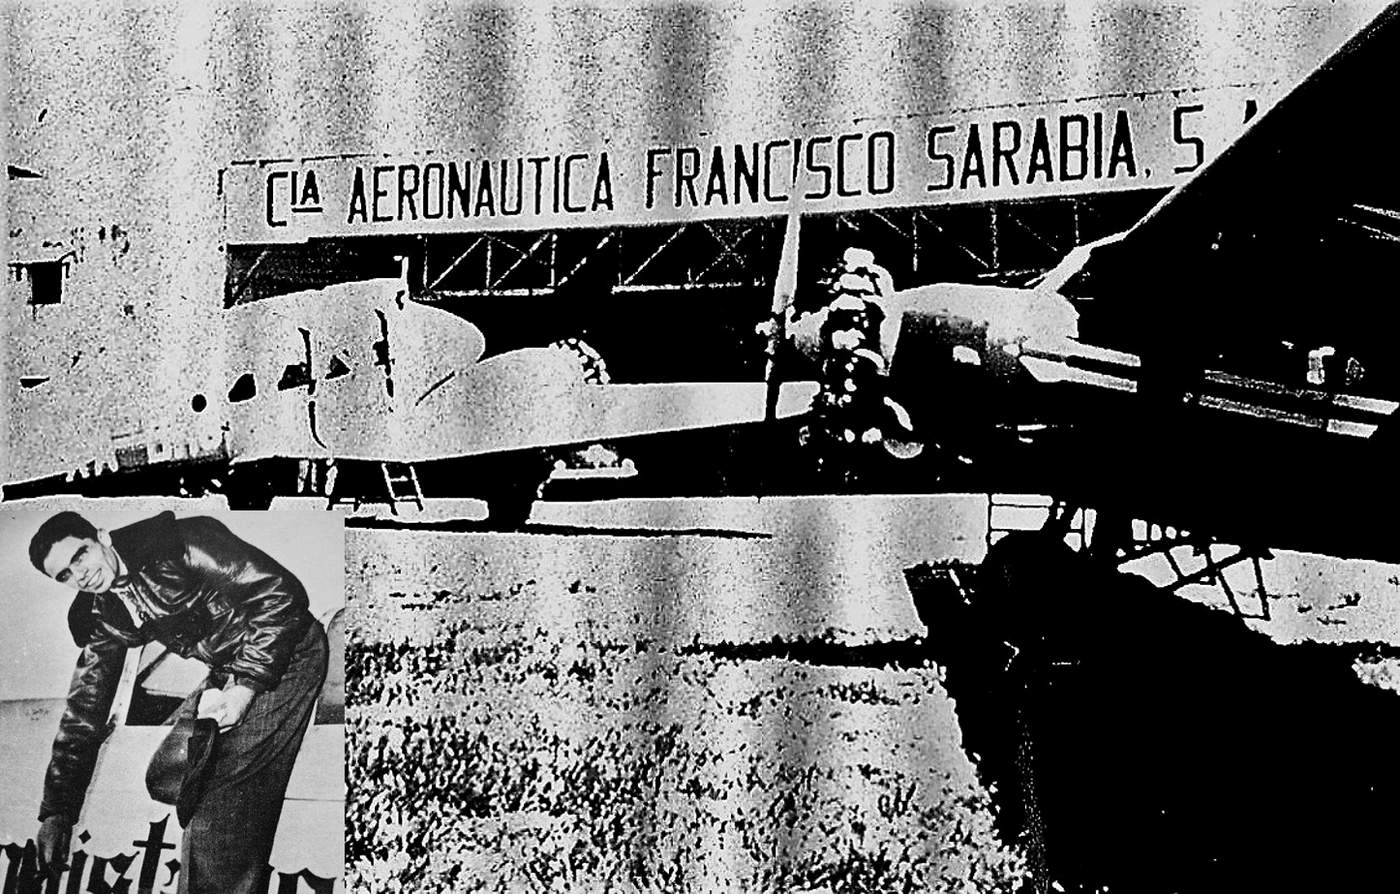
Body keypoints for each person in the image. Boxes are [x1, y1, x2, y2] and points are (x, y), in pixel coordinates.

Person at [28, 510, 328, 894]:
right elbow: (83, 710)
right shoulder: (104, 612)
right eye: (65, 575)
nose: (80, 575)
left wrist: (245, 688)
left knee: (217, 806)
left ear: (102, 536)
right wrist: (57, 812)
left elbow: (281, 597)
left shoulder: (178, 542)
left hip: (289, 652)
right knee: (165, 775)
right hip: (226, 672)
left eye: (80, 555)